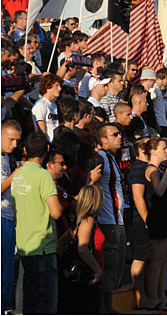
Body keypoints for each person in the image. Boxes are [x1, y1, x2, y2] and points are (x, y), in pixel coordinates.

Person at [11, 133, 62, 314]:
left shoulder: (17, 176)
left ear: (25, 150)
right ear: (47, 150)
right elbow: (55, 212)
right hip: (43, 246)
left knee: (30, 298)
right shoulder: (43, 176)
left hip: (25, 244)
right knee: (46, 300)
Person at [90, 123, 126, 314]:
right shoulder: (101, 158)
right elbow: (90, 182)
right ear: (103, 140)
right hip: (107, 221)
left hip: (118, 220)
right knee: (109, 266)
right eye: (114, 134)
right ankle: (104, 309)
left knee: (118, 266)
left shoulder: (112, 158)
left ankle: (109, 306)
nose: (119, 137)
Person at [58, 185, 105, 315]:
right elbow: (83, 249)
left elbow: (61, 243)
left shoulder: (79, 222)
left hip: (79, 278)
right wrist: (97, 270)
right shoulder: (88, 221)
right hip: (88, 277)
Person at [143, 137, 167, 311]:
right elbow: (159, 190)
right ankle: (153, 297)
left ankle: (161, 295)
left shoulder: (159, 170)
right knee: (156, 260)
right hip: (156, 216)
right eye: (163, 148)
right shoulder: (152, 170)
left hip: (165, 215)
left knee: (163, 259)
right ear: (154, 151)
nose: (166, 151)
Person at [128, 137, 153, 310]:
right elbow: (138, 197)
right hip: (141, 221)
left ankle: (147, 295)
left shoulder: (147, 168)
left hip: (148, 219)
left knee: (148, 259)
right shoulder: (138, 168)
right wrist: (147, 220)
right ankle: (140, 297)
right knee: (140, 258)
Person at [1, 120, 21, 314]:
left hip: (8, 217)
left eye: (17, 141)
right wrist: (15, 175)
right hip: (1, 218)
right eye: (11, 139)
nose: (14, 145)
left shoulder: (6, 157)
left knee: (7, 270)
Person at [32, 73, 62, 141]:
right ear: (48, 87)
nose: (60, 88)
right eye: (57, 86)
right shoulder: (40, 105)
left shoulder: (54, 105)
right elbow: (41, 130)